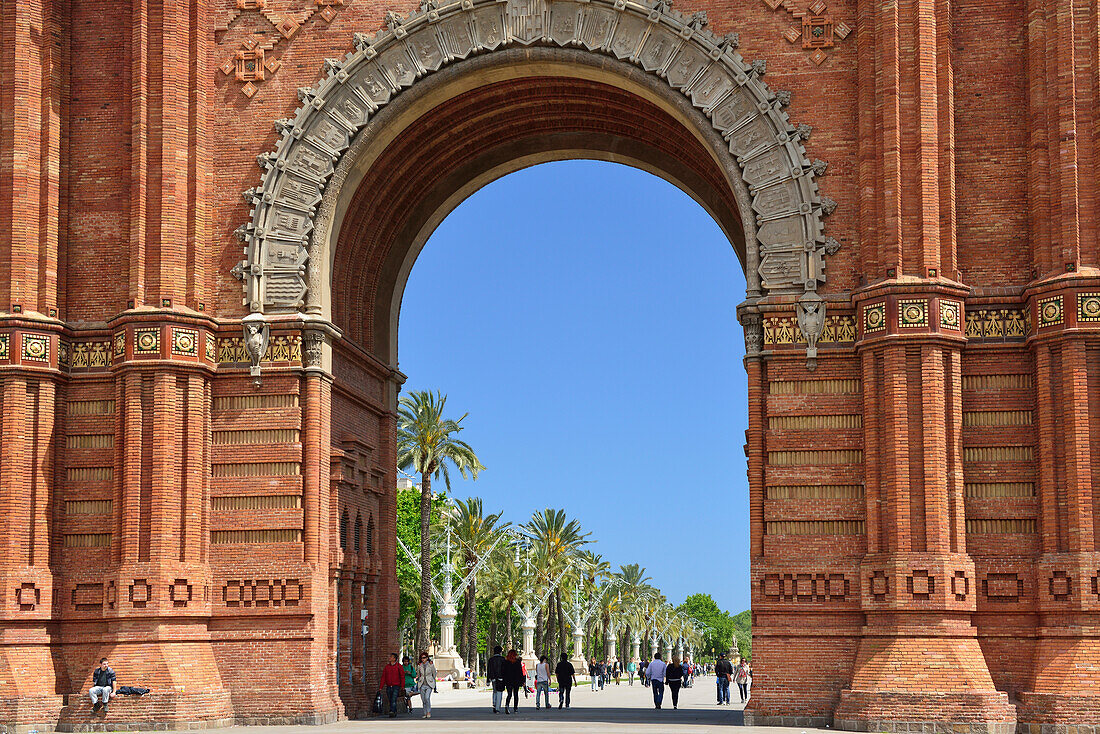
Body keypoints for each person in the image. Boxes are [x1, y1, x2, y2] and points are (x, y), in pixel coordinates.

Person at [380, 653, 405, 718]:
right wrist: (381, 687)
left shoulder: (399, 666)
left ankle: (392, 711)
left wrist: (402, 686)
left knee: (394, 699)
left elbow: (402, 676)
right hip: (389, 686)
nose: (389, 658)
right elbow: (383, 677)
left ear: (394, 659)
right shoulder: (387, 667)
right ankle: (394, 710)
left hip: (396, 686)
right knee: (390, 699)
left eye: (391, 657)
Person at [416, 651, 437, 719]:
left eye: (424, 658)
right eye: (422, 658)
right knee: (423, 699)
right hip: (422, 684)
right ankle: (425, 713)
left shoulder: (430, 665)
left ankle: (428, 712)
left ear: (427, 658)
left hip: (429, 684)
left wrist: (432, 680)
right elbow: (418, 675)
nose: (423, 659)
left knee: (427, 698)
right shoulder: (420, 665)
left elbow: (434, 674)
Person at [502, 649, 524, 713]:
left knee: (509, 694)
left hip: (508, 680)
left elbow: (503, 671)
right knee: (516, 694)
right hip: (516, 680)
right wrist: (522, 681)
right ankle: (515, 708)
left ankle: (507, 705)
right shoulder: (517, 662)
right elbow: (520, 672)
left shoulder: (506, 662)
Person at [487, 645, 506, 714]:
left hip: (493, 678)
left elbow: (489, 670)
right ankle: (497, 707)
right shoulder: (503, 659)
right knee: (499, 692)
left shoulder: (491, 660)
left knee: (494, 691)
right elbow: (504, 670)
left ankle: (494, 704)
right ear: (500, 652)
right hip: (501, 678)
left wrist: (488, 680)